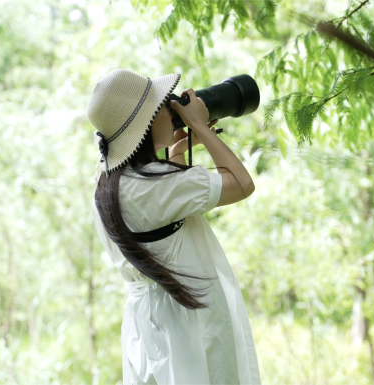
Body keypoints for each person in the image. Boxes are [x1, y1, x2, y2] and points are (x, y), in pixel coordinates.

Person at [87, 68, 262, 384]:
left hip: (148, 326)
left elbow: (163, 222)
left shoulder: (108, 182)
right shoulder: (155, 184)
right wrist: (200, 127)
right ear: (147, 124)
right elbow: (242, 183)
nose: (170, 110)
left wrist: (177, 154)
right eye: (161, 105)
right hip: (187, 325)